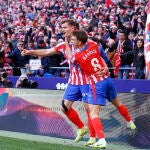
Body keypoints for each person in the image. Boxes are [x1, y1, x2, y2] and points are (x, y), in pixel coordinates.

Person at [21, 19, 97, 144]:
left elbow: (96, 50)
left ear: (73, 28)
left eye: (65, 27)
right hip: (73, 81)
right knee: (64, 108)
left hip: (87, 81)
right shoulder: (63, 45)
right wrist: (30, 52)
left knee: (89, 108)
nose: (62, 29)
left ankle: (93, 138)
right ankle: (82, 128)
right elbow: (46, 52)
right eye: (61, 27)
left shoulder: (85, 42)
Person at [66, 30, 136, 149]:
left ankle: (102, 141)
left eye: (73, 40)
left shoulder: (78, 56)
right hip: (107, 79)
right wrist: (106, 68)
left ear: (79, 41)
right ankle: (130, 122)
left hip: (96, 82)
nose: (71, 42)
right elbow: (101, 57)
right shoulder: (94, 45)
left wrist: (66, 44)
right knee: (117, 103)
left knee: (93, 113)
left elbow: (69, 57)